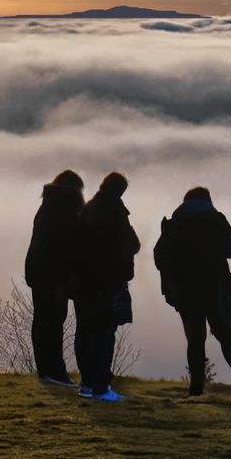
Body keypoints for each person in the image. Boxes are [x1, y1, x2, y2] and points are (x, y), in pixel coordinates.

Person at [154, 186, 231, 397]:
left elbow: (158, 256)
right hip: (213, 287)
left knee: (195, 338)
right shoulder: (215, 220)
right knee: (225, 335)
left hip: (183, 290)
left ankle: (196, 387)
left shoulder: (174, 224)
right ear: (208, 200)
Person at [72, 171, 139, 402]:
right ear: (120, 192)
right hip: (108, 282)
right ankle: (101, 386)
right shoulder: (117, 214)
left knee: (83, 331)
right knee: (104, 334)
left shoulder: (86, 210)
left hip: (82, 282)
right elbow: (133, 244)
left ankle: (87, 384)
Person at [23, 170, 84, 387]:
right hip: (55, 273)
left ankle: (45, 370)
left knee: (41, 321)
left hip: (38, 270)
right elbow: (72, 242)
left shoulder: (46, 206)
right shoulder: (68, 207)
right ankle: (56, 372)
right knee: (55, 322)